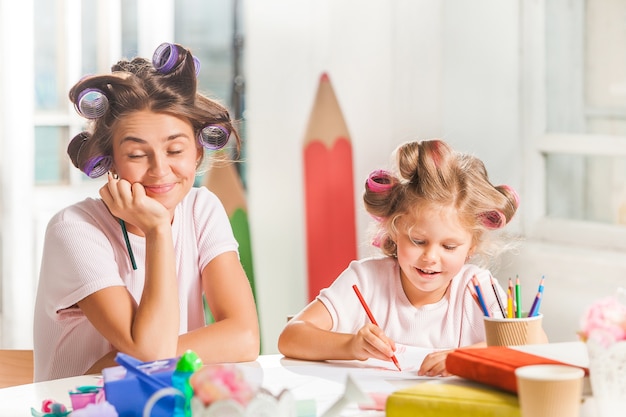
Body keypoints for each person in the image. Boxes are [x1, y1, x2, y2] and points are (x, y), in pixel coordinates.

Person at [33, 42, 259, 381]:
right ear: (110, 161)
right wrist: (157, 230)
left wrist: (116, 363)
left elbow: (244, 337)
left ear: (197, 152)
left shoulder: (202, 208)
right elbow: (150, 350)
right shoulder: (74, 229)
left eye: (175, 149)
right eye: (138, 155)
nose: (160, 170)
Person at [278, 139, 538, 376]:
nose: (430, 257)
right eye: (418, 241)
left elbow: (535, 343)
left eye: (449, 247)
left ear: (471, 246)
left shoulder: (477, 287)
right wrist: (352, 344)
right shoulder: (366, 280)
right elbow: (291, 337)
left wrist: (465, 358)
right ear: (395, 230)